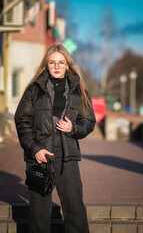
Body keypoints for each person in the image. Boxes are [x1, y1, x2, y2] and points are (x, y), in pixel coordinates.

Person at [14, 44, 96, 233]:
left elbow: (89, 122)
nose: (57, 66)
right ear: (46, 65)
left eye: (61, 62)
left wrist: (73, 127)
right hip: (39, 157)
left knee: (75, 210)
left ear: (68, 65)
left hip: (68, 157)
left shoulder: (79, 90)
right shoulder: (34, 89)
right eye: (52, 62)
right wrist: (35, 149)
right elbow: (22, 120)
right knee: (39, 215)